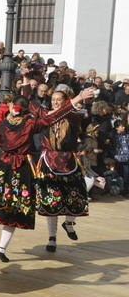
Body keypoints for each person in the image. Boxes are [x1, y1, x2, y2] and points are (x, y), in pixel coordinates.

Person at [0, 88, 94, 262]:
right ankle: (2, 247)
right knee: (15, 209)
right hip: (22, 166)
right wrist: (79, 97)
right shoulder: (30, 124)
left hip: (2, 164)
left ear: (10, 106)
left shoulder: (2, 124)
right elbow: (50, 117)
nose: (54, 101)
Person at [33, 91, 90, 252]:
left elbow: (68, 113)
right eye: (53, 100)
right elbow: (34, 107)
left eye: (59, 100)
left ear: (65, 102)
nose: (56, 102)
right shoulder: (45, 115)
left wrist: (76, 101)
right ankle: (52, 238)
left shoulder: (73, 116)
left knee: (77, 196)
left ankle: (69, 222)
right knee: (52, 201)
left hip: (68, 161)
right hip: (49, 161)